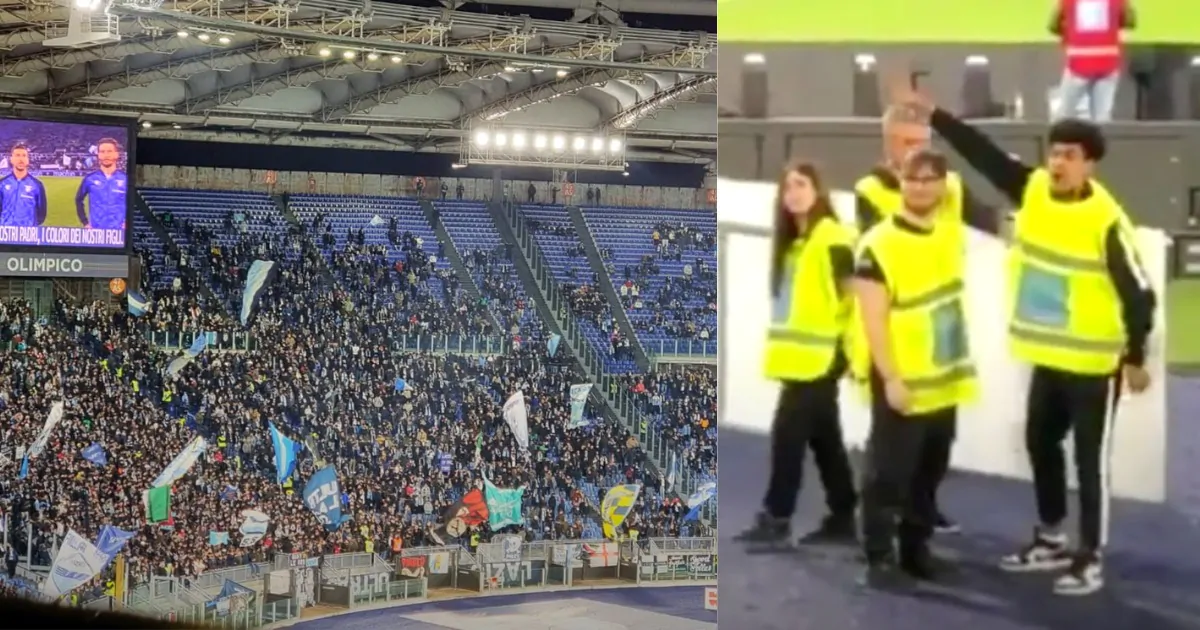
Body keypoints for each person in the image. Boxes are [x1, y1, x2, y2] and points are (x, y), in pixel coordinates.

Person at [898, 93, 1155, 596]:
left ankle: (1090, 557)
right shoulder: (1033, 188)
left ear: (1090, 165)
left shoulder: (1106, 220)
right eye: (1054, 152)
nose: (1058, 162)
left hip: (1093, 364)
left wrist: (1136, 356)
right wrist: (937, 117)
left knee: (1089, 462)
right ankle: (1052, 536)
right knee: (1040, 442)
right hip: (1048, 359)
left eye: (1070, 155)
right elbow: (984, 155)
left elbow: (1139, 292)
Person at [853, 102, 1003, 535]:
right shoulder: (872, 194)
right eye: (905, 143)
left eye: (921, 143)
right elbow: (877, 265)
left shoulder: (950, 186)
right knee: (891, 455)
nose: (914, 152)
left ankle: (919, 518)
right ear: (888, 145)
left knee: (935, 450)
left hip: (944, 350)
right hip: (896, 340)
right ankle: (881, 545)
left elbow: (991, 221)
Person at [854, 148, 978, 587]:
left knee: (929, 472)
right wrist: (891, 379)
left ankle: (916, 548)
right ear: (900, 182)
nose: (921, 186)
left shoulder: (949, 231)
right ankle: (879, 559)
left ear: (944, 184)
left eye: (930, 178)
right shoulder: (878, 244)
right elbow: (872, 319)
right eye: (913, 178)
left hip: (944, 382)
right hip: (902, 382)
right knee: (888, 474)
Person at [734, 160, 858, 549]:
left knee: (787, 438)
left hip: (823, 358)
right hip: (798, 361)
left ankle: (778, 517)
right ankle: (843, 513)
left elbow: (853, 296)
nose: (793, 192)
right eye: (788, 186)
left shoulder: (833, 236)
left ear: (819, 190)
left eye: (802, 184)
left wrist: (852, 353)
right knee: (825, 440)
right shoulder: (795, 247)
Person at [1050, 0, 1134, 122]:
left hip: (1078, 61)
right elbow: (1130, 21)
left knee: (1065, 114)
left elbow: (1053, 26)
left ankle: (1059, 138)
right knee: (1102, 118)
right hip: (1107, 61)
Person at [75, 138, 128, 230]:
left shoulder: (125, 179)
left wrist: (128, 221)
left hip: (120, 233)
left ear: (117, 154)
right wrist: (85, 222)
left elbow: (134, 203)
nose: (106, 155)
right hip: (96, 232)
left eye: (109, 151)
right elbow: (78, 199)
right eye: (102, 152)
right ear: (98, 155)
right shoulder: (90, 179)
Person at [0, 143, 47, 228]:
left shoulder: (37, 185)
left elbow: (42, 213)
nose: (21, 159)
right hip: (4, 233)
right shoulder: (2, 184)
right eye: (17, 155)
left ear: (28, 160)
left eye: (24, 156)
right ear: (11, 159)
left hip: (28, 236)